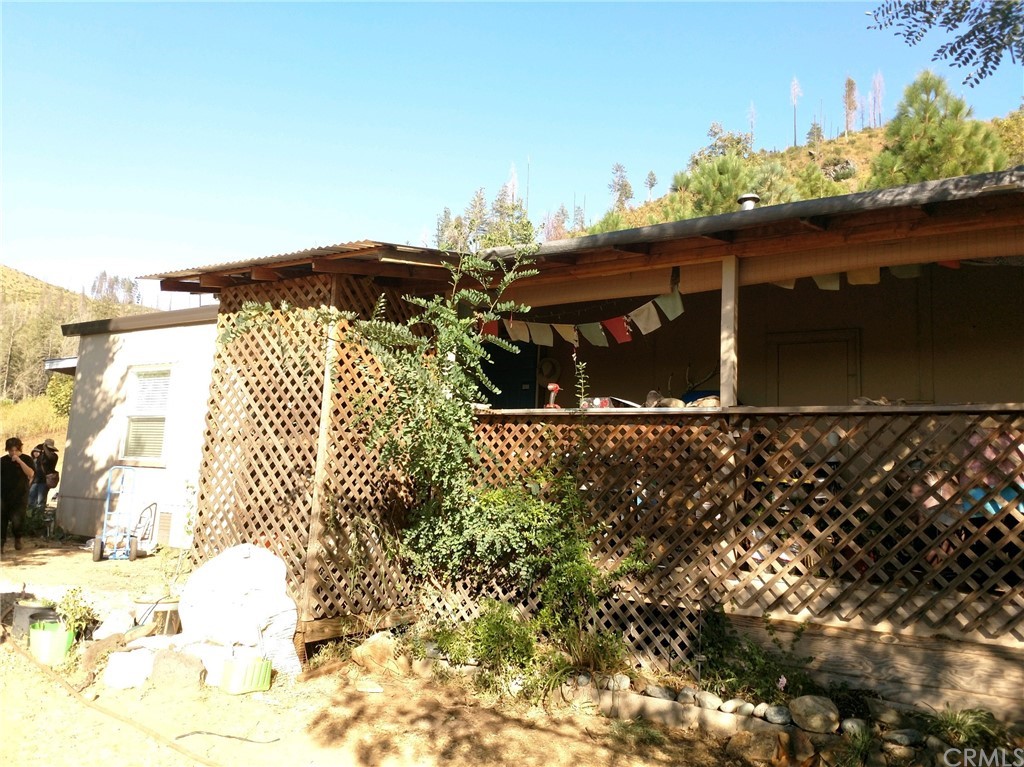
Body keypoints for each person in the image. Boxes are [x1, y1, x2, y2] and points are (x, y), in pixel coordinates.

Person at [1, 437, 35, 551]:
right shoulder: (3, 461)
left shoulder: (27, 459)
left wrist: (20, 461)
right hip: (3, 496)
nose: (13, 453)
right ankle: (1, 543)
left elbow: (30, 474)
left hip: (20, 496)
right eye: (11, 450)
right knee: (2, 520)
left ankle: (18, 538)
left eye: (16, 450)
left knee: (17, 520)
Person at [29, 438, 59, 513]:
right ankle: (31, 517)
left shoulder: (53, 456)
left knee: (40, 502)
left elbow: (49, 456)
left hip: (44, 481)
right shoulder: (39, 457)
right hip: (35, 481)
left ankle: (39, 518)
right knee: (31, 501)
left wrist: (45, 447)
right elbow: (33, 453)